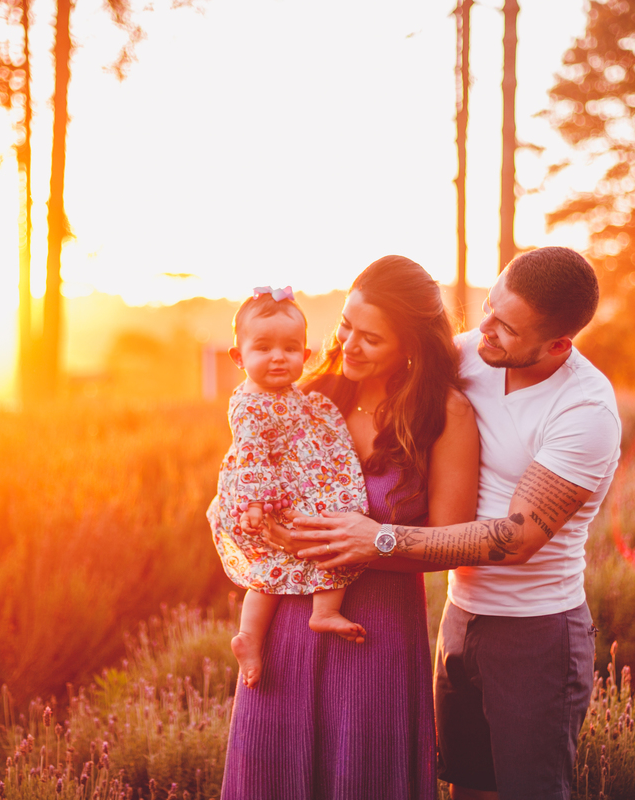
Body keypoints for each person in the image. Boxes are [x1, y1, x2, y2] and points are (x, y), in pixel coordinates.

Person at [290, 246, 621, 800]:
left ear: (558, 345)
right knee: (466, 788)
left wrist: (379, 538)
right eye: (489, 307)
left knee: (532, 791)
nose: (483, 330)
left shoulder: (585, 412)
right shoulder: (473, 354)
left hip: (536, 632)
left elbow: (516, 539)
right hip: (460, 618)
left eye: (506, 328)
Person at [221, 256, 479, 800]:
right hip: (287, 623)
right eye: (345, 326)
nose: (349, 346)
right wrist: (262, 525)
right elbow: (243, 475)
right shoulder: (311, 394)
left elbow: (454, 543)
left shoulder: (445, 413)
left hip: (375, 633)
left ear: (410, 345)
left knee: (363, 774)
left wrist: (369, 543)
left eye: (371, 338)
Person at [207, 285, 372, 690]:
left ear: (306, 353)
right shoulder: (249, 406)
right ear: (238, 357)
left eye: (291, 347)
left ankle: (316, 614)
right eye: (264, 348)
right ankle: (251, 636)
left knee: (322, 539)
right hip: (266, 498)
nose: (278, 357)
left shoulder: (292, 394)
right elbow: (250, 456)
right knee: (283, 560)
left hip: (292, 485)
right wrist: (253, 504)